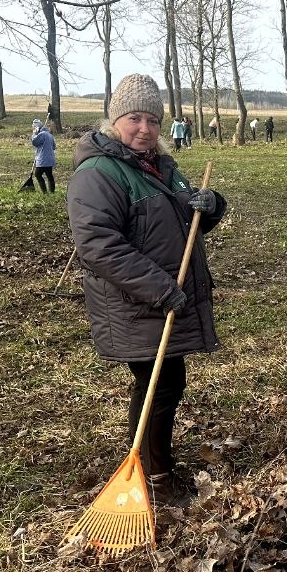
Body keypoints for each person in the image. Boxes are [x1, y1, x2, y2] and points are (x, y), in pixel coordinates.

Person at [67, 73, 227, 502]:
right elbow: (99, 247)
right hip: (136, 303)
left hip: (161, 300)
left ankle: (155, 466)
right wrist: (161, 288)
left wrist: (210, 208)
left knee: (166, 383)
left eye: (153, 120)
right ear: (115, 120)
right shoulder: (99, 173)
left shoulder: (161, 166)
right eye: (134, 118)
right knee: (158, 385)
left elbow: (182, 222)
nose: (145, 128)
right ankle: (154, 478)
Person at [31, 118, 57, 192]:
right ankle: (52, 192)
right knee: (49, 175)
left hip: (43, 159)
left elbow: (34, 142)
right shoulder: (49, 135)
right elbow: (54, 147)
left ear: (37, 128)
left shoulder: (42, 134)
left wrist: (34, 134)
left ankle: (44, 192)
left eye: (34, 128)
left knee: (37, 174)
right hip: (50, 159)